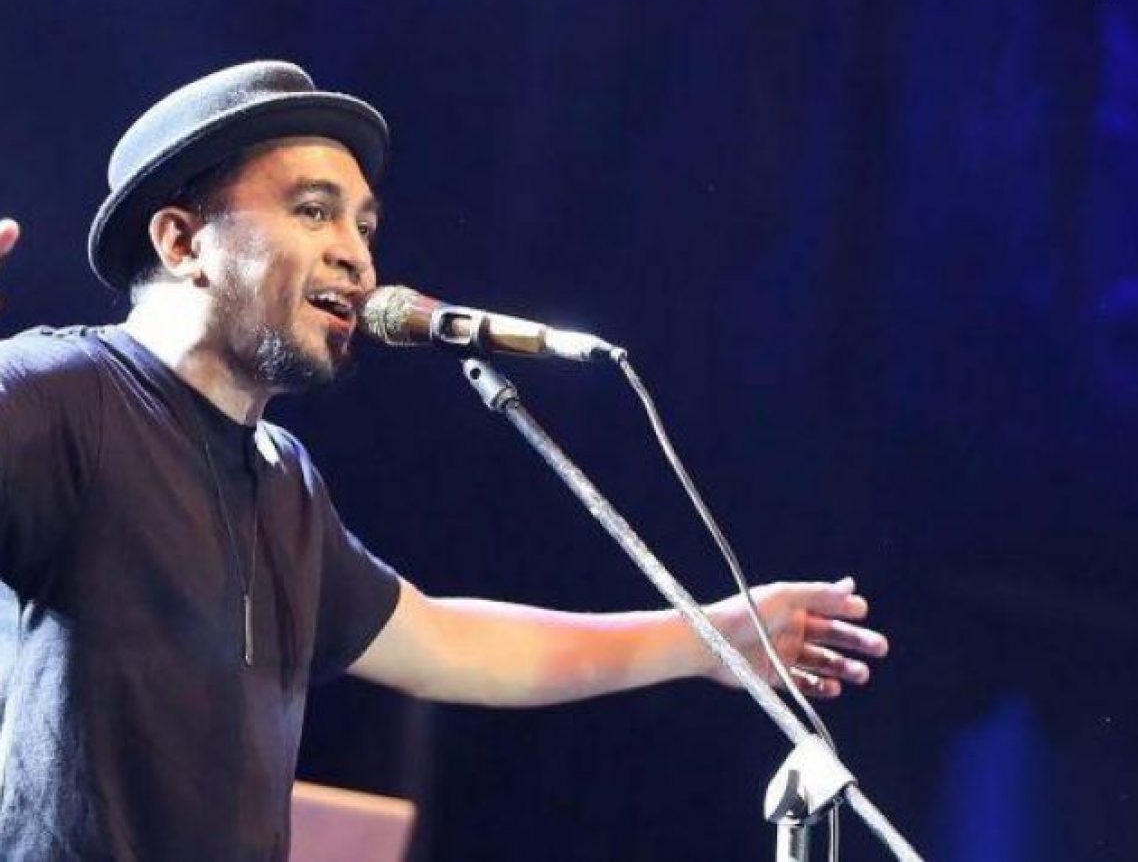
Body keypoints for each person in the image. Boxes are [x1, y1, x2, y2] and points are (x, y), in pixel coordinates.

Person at [0, 62, 888, 860]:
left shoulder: (281, 477)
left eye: (364, 224)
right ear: (181, 241)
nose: (356, 254)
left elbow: (447, 644)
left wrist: (710, 639)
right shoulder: (66, 394)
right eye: (312, 211)